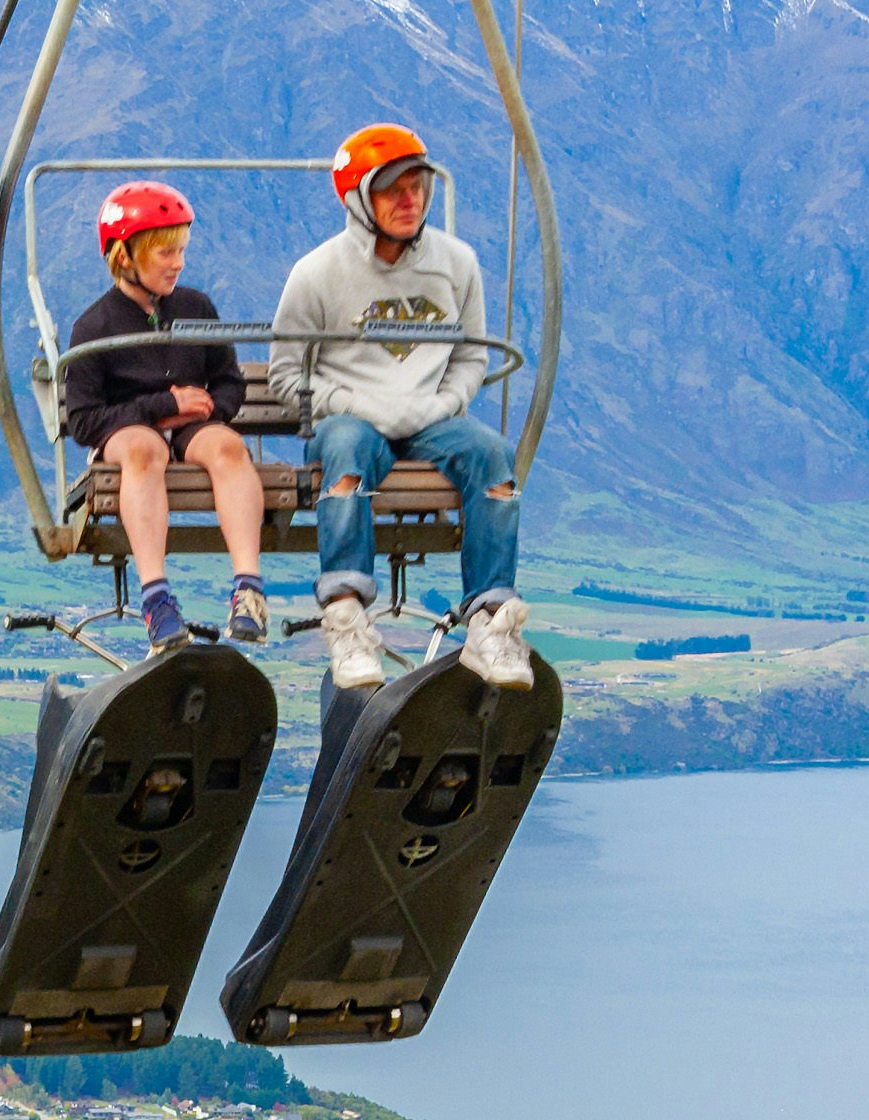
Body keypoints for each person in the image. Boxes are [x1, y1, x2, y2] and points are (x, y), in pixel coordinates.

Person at [270, 124, 533, 694]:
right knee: (343, 449)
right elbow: (288, 375)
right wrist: (359, 407)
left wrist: (445, 403)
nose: (409, 200)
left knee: (492, 456)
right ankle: (344, 615)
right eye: (392, 189)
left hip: (432, 420)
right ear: (359, 199)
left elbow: (471, 356)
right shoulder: (316, 273)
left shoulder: (457, 263)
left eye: (417, 185)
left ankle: (489, 621)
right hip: (351, 421)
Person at [63, 180, 272, 653]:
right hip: (128, 430)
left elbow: (229, 381)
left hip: (191, 427)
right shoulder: (94, 326)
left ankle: (248, 588)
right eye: (165, 254)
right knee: (142, 449)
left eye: (180, 251)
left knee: (227, 446)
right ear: (124, 257)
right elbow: (85, 419)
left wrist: (208, 408)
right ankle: (156, 597)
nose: (178, 263)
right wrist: (162, 409)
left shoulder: (195, 308)